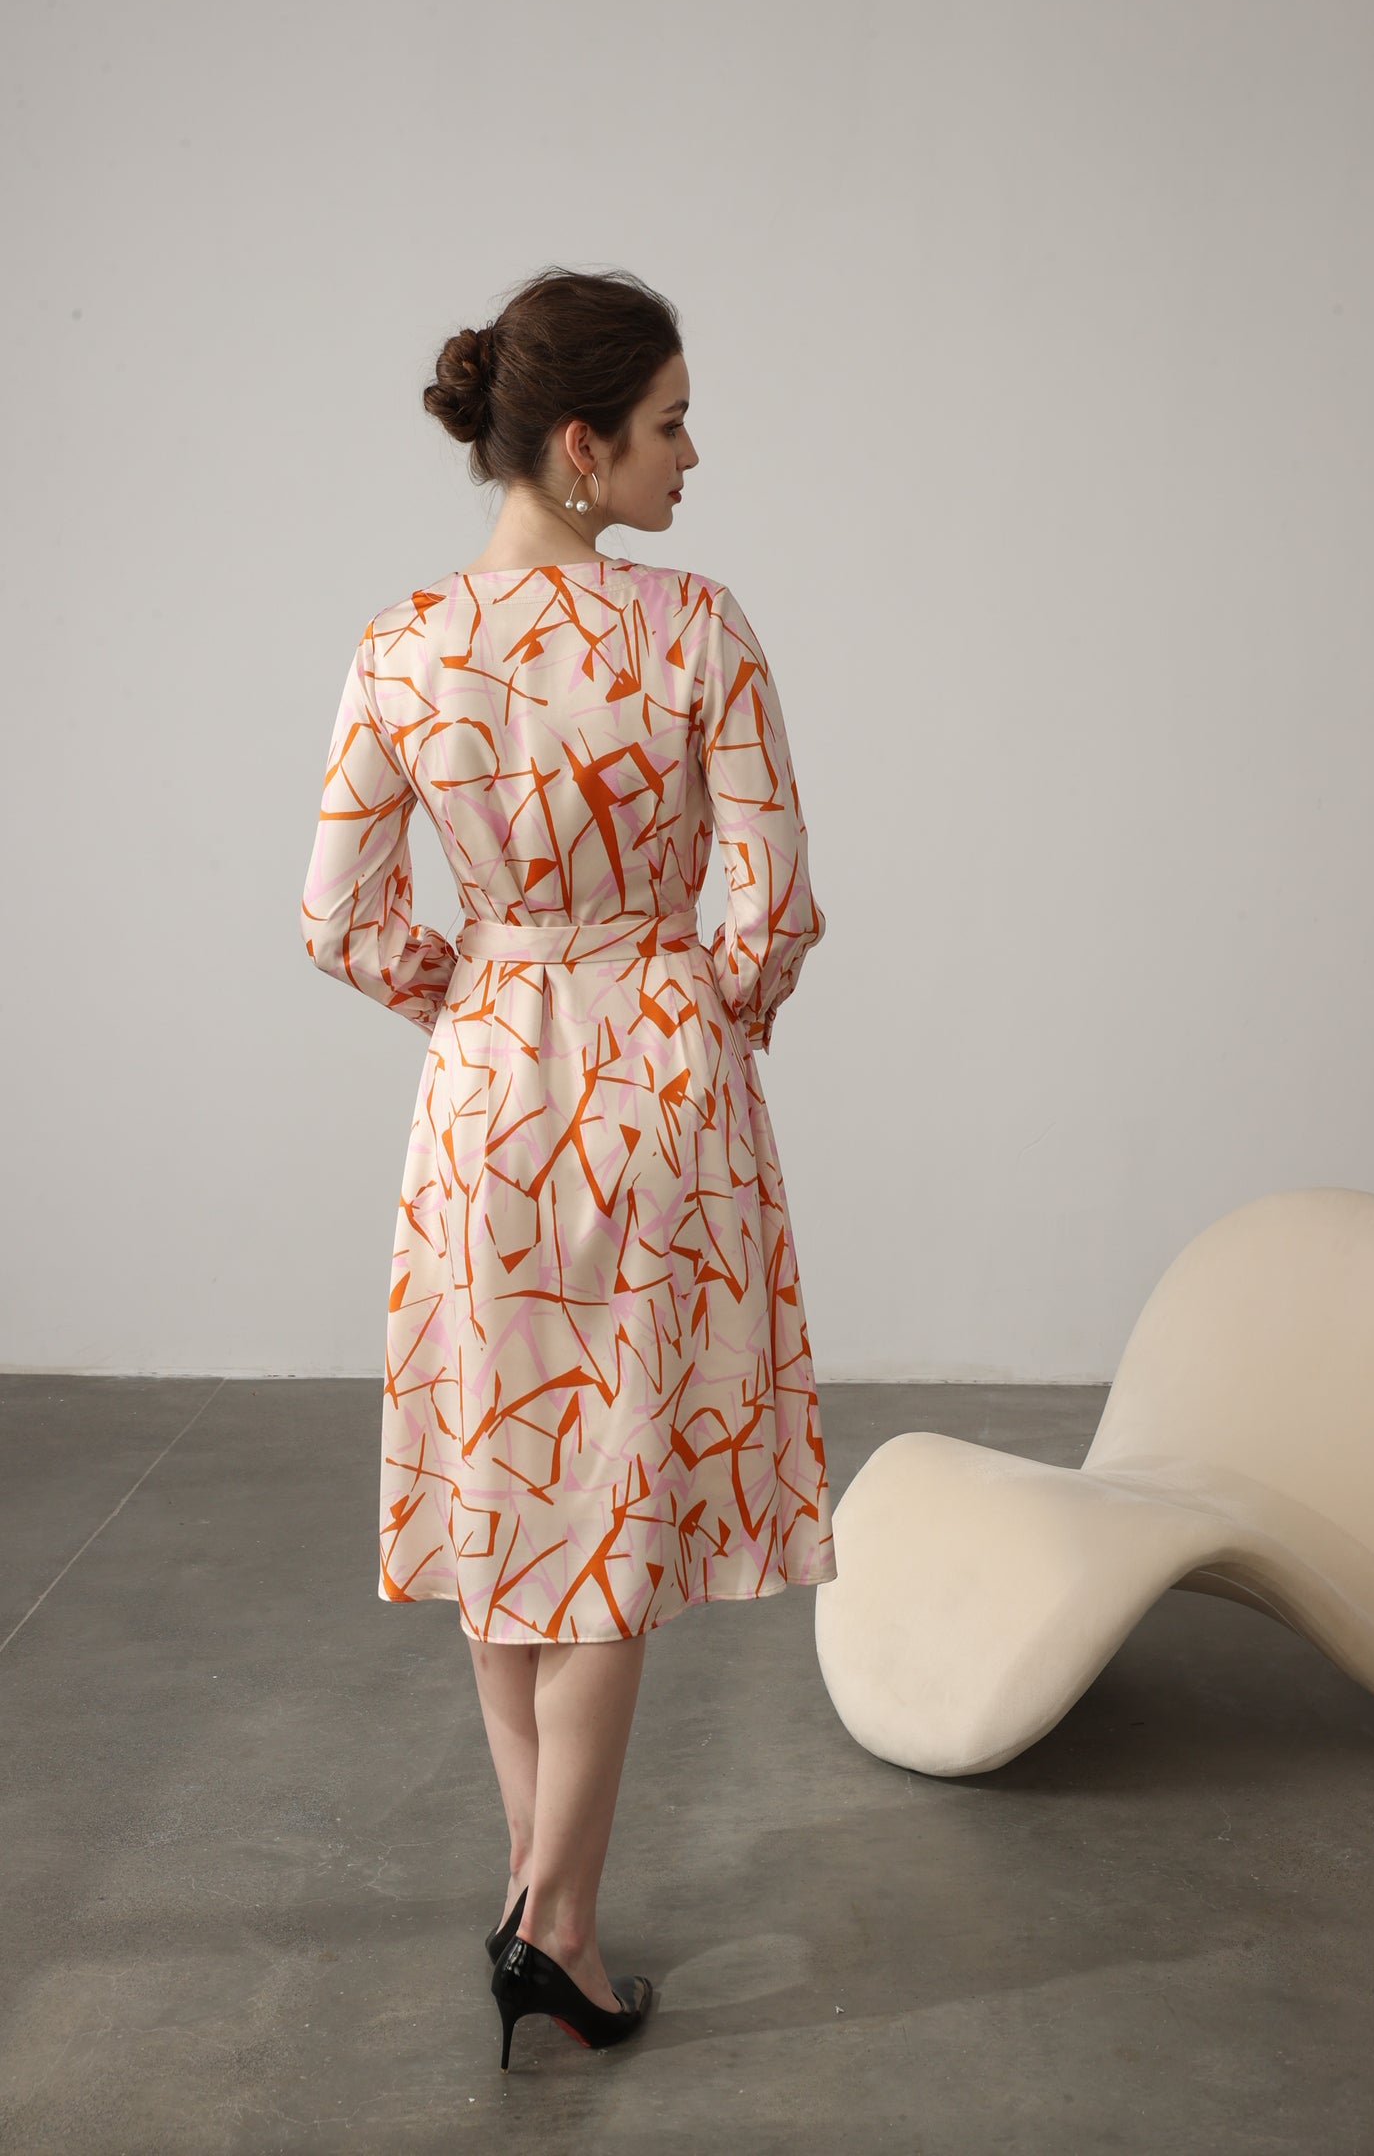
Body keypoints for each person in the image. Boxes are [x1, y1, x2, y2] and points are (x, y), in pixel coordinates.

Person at [299, 265, 836, 2070]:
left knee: (513, 1486)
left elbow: (336, 918)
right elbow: (770, 909)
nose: (695, 455)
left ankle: (542, 1903)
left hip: (481, 1093)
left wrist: (479, 997)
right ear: (585, 446)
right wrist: (702, 1011)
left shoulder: (401, 642)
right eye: (672, 423)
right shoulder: (693, 629)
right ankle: (558, 1924)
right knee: (614, 1503)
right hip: (654, 1086)